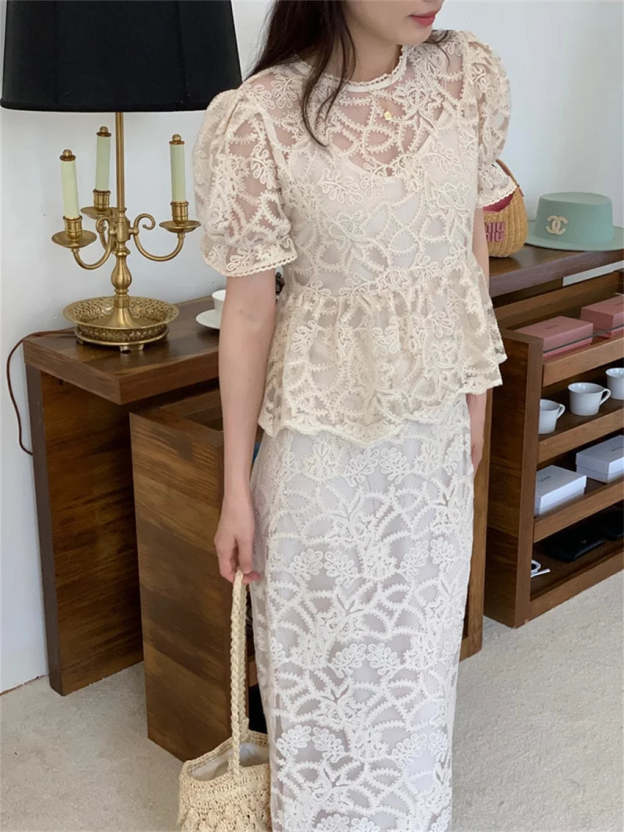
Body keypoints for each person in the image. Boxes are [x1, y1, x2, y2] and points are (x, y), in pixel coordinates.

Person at [192, 1, 515, 829]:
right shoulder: (261, 117)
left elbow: (469, 253)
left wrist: (476, 398)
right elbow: (250, 312)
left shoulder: (465, 77)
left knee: (418, 673)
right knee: (324, 681)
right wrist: (236, 491)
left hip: (433, 446)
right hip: (321, 459)